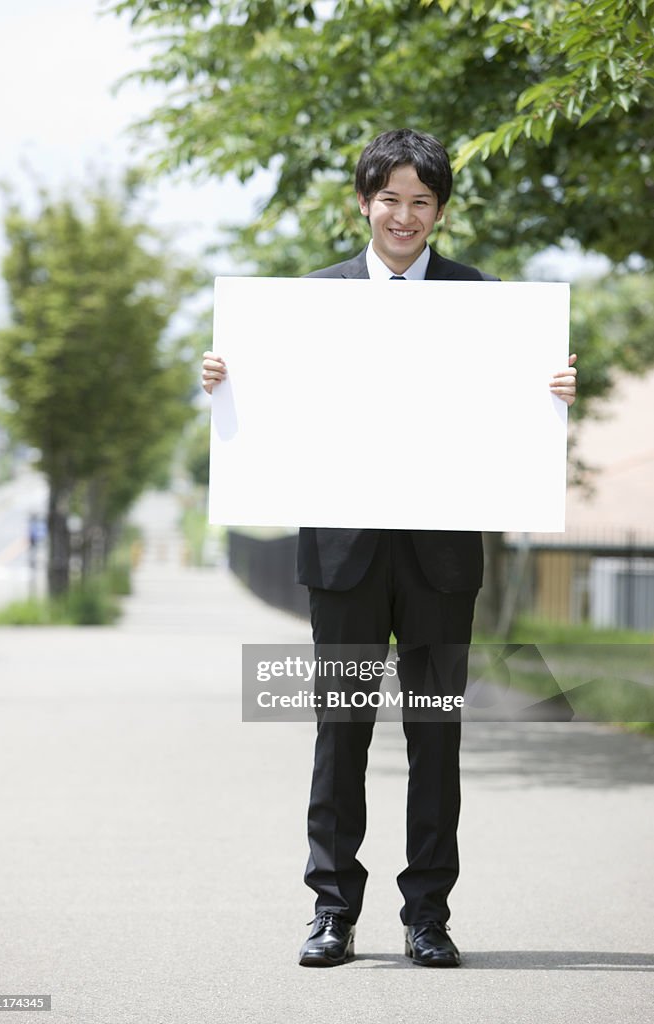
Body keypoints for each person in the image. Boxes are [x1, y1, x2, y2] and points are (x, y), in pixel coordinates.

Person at [202, 128, 577, 969]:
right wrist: (230, 384)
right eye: (388, 199)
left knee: (434, 735)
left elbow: (511, 420)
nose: (402, 216)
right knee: (340, 733)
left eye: (420, 202)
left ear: (438, 211)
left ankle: (428, 917)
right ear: (362, 204)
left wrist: (549, 391)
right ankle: (331, 911)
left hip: (441, 562)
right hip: (342, 557)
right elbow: (269, 416)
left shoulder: (486, 305)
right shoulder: (305, 305)